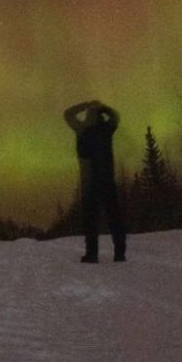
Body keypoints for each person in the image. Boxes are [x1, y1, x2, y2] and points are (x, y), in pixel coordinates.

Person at [63, 100, 127, 263]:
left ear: (88, 116)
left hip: (90, 182)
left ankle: (92, 254)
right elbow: (116, 116)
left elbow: (68, 113)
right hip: (107, 180)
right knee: (114, 217)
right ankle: (119, 253)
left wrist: (85, 104)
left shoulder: (82, 129)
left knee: (90, 220)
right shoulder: (107, 129)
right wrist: (103, 107)